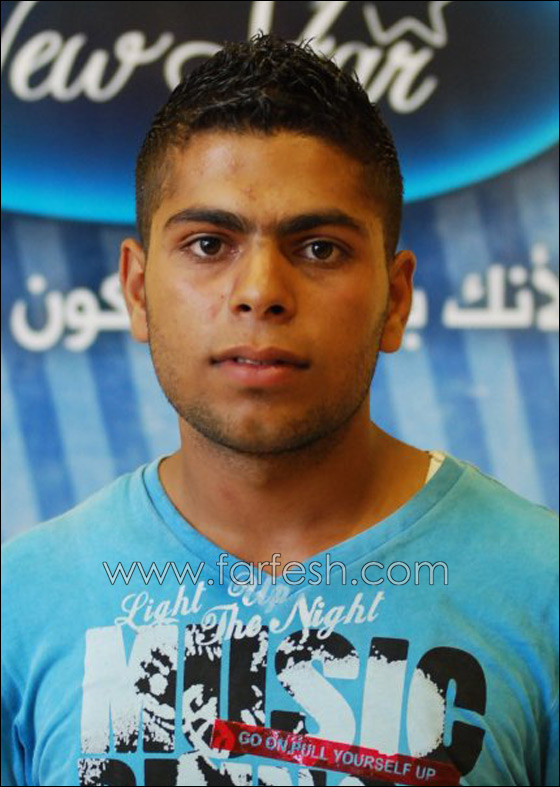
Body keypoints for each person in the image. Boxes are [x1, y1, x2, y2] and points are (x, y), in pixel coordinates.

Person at [1, 31, 557, 787]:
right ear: (136, 290)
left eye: (319, 248)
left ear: (396, 300)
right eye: (209, 244)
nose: (260, 291)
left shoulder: (543, 589)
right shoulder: (23, 602)